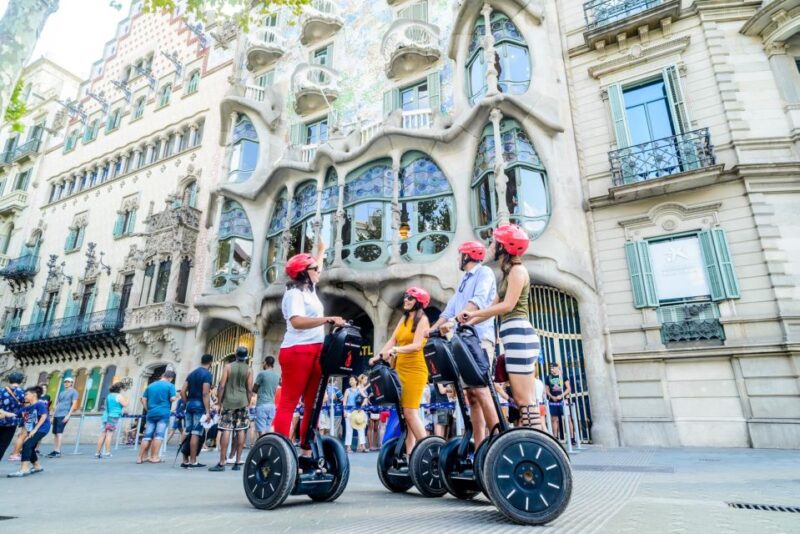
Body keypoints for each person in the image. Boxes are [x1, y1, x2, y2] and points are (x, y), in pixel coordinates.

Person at [459, 224, 545, 431]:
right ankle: (537, 444)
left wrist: (473, 313)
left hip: (519, 333)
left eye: (495, 241)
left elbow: (507, 306)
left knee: (525, 400)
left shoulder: (518, 271)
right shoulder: (507, 275)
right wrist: (467, 323)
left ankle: (542, 447)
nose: (491, 245)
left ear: (504, 246)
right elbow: (492, 308)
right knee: (521, 399)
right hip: (512, 334)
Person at [273, 243, 346, 458]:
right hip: (297, 350)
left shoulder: (309, 289)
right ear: (304, 273)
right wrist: (327, 319)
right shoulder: (294, 294)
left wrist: (321, 251)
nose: (318, 271)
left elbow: (317, 265)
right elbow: (296, 322)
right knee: (289, 402)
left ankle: (306, 450)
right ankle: (282, 450)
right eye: (314, 269)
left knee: (313, 403)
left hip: (316, 350)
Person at [429, 240, 500, 447]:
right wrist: (431, 329)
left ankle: (497, 442)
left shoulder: (483, 273)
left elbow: (476, 302)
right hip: (462, 341)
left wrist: (453, 323)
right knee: (471, 395)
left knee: (481, 389)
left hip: (479, 338)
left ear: (467, 256)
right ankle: (479, 444)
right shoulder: (463, 281)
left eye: (459, 254)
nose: (457, 259)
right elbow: (449, 310)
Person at [370, 287, 431, 456]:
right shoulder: (404, 319)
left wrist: (395, 351)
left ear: (418, 303)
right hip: (399, 368)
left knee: (409, 412)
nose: (406, 300)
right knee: (406, 412)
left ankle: (428, 449)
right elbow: (393, 339)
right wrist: (378, 356)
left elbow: (418, 344)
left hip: (415, 370)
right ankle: (411, 454)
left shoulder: (423, 320)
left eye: (410, 298)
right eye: (405, 297)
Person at [209, 347, 253, 472]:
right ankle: (237, 461)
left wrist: (218, 400)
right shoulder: (249, 370)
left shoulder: (228, 367)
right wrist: (248, 402)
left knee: (226, 430)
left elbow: (222, 385)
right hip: (242, 402)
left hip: (228, 402)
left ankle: (222, 462)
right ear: (246, 356)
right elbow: (249, 389)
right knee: (240, 430)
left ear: (235, 354)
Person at [8, 386, 50, 477]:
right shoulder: (27, 408)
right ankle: (37, 466)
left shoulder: (40, 404)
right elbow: (13, 414)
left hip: (42, 429)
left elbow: (44, 416)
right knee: (28, 447)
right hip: (35, 430)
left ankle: (24, 469)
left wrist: (35, 430)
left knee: (27, 445)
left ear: (34, 395)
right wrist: (3, 413)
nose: (24, 396)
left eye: (26, 394)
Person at [137, 370, 177, 464]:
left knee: (147, 436)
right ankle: (154, 457)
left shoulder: (151, 385)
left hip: (151, 413)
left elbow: (143, 399)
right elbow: (172, 399)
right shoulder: (170, 386)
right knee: (158, 436)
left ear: (163, 375)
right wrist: (176, 397)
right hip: (163, 413)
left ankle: (140, 457)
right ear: (170, 378)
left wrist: (148, 409)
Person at [47, 376, 79, 458]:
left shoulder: (74, 392)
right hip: (57, 414)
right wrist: (53, 416)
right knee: (55, 433)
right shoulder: (61, 392)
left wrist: (68, 415)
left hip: (64, 414)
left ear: (72, 383)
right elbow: (57, 404)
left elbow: (74, 404)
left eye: (68, 382)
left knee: (59, 432)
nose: (66, 383)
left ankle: (58, 451)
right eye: (65, 382)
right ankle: (55, 450)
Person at [95, 382, 128, 458]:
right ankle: (107, 452)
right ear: (120, 389)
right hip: (113, 416)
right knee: (109, 434)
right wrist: (127, 400)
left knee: (103, 434)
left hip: (105, 416)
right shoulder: (119, 396)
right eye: (123, 389)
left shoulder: (109, 395)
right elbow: (125, 404)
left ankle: (97, 452)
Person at [0, 372, 25, 461]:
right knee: (3, 444)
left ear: (9, 380)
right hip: (11, 422)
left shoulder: (1, 390)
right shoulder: (23, 392)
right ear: (21, 381)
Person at [253, 355, 279, 438]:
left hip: (262, 404)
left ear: (266, 363)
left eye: (263, 363)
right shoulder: (277, 376)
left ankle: (262, 446)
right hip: (272, 405)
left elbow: (254, 388)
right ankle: (267, 446)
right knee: (268, 428)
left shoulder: (262, 374)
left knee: (261, 429)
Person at [546, 362, 573, 443]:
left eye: (552, 368)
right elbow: (546, 390)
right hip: (553, 401)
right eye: (550, 368)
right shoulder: (548, 377)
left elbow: (568, 388)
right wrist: (552, 396)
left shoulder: (563, 376)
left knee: (568, 418)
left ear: (557, 368)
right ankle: (555, 437)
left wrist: (561, 395)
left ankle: (572, 438)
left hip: (563, 400)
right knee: (554, 419)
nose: (551, 369)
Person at [343, 376, 366, 453]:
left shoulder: (359, 389)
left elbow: (365, 397)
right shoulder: (347, 390)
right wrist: (344, 411)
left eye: (352, 380)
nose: (350, 381)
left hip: (357, 412)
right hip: (349, 412)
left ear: (356, 381)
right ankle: (348, 447)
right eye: (350, 380)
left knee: (361, 428)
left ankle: (363, 446)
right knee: (349, 430)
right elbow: (344, 401)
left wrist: (361, 407)